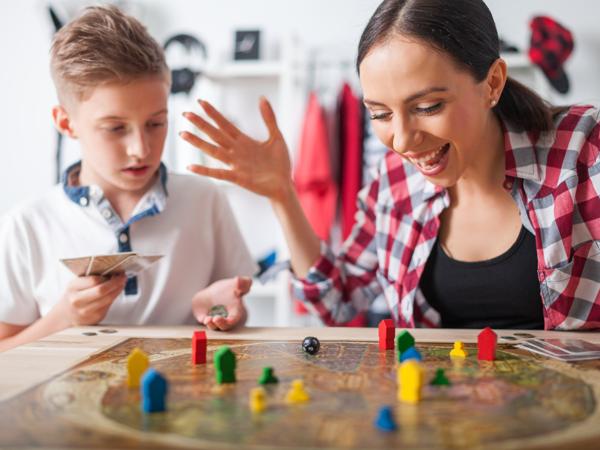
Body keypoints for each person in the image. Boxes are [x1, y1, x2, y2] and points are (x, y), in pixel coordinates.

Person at [180, 0, 600, 331]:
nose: (401, 140)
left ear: (492, 83)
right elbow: (340, 303)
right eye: (380, 114)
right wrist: (282, 195)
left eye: (428, 106)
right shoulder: (394, 181)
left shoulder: (581, 149)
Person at [0, 5, 256, 352]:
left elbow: (233, 309)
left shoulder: (205, 200)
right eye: (115, 128)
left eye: (156, 123)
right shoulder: (27, 226)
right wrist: (63, 317)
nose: (141, 149)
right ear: (66, 123)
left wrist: (228, 311)